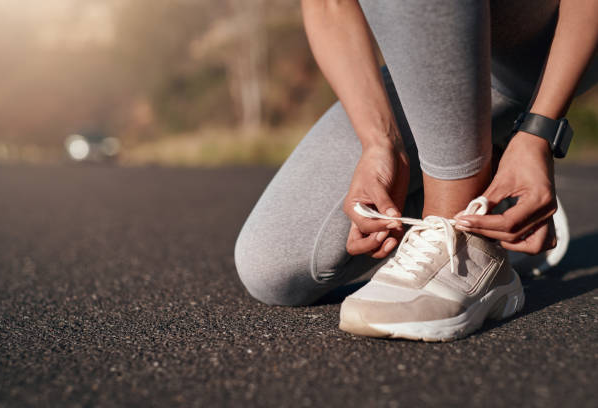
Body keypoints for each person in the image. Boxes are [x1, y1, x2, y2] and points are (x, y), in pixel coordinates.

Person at [234, 0, 598, 341]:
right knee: (273, 269)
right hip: (435, 66)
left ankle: (466, 242)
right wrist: (380, 143)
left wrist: (539, 132)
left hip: (544, 49)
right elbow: (329, 4)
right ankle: (489, 174)